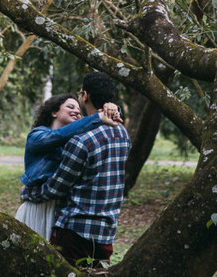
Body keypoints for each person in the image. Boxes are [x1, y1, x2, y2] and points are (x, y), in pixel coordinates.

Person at [24, 71, 130, 268]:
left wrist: (28, 192)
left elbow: (56, 188)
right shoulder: (123, 134)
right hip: (106, 231)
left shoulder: (81, 140)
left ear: (86, 96)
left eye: (79, 96)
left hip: (76, 230)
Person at [14, 91, 120, 239]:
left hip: (63, 210)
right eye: (70, 107)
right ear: (54, 112)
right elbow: (56, 137)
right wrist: (96, 118)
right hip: (37, 206)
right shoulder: (37, 136)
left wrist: (113, 108)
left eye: (79, 109)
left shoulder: (76, 140)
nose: (76, 111)